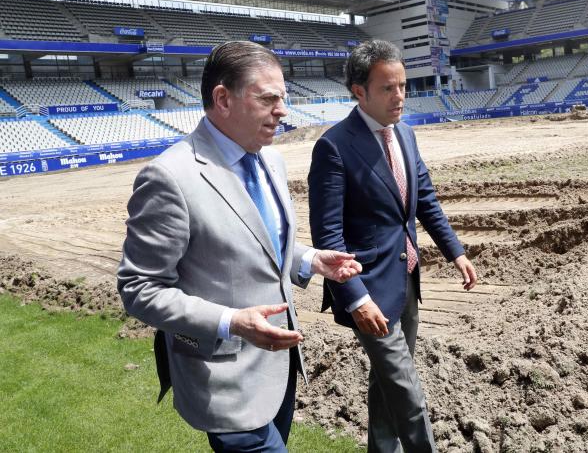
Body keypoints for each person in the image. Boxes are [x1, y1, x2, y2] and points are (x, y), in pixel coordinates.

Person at [117, 41, 361, 452]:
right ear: (223, 99)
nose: (283, 110)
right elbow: (139, 289)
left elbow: (256, 241)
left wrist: (310, 259)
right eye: (268, 99)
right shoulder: (169, 177)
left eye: (283, 98)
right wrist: (231, 321)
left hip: (277, 371)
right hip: (224, 381)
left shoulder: (271, 161)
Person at [308, 39, 478, 452]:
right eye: (388, 88)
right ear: (359, 91)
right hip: (368, 291)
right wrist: (355, 298)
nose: (399, 96)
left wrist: (455, 252)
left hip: (406, 282)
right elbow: (328, 236)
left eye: (402, 86)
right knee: (407, 392)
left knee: (388, 386)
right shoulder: (334, 147)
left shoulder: (405, 134)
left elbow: (425, 200)